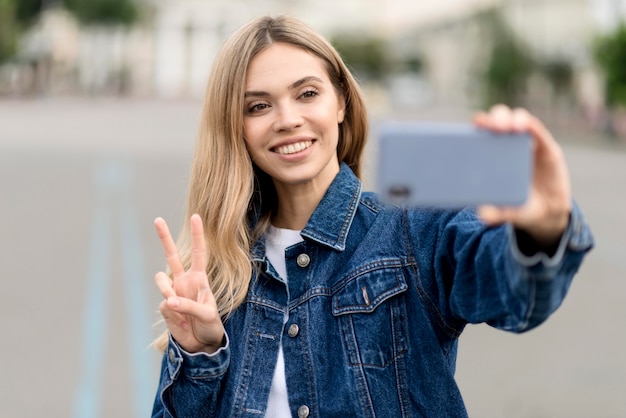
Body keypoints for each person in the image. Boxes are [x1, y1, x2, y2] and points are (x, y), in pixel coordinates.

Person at [150, 15, 593, 418]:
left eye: (307, 94)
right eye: (258, 106)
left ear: (340, 103)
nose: (287, 119)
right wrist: (199, 354)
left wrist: (543, 228)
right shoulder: (221, 275)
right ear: (235, 126)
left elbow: (515, 293)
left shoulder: (412, 232)